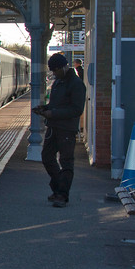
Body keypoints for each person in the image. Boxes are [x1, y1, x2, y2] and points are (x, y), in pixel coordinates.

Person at [32, 53, 86, 208]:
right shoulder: (58, 82)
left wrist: (53, 113)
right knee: (47, 157)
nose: (54, 73)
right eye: (53, 71)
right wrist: (45, 108)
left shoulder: (76, 84)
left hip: (67, 129)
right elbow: (56, 103)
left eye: (56, 70)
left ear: (64, 67)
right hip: (54, 127)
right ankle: (58, 188)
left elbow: (76, 109)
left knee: (66, 161)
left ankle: (62, 195)